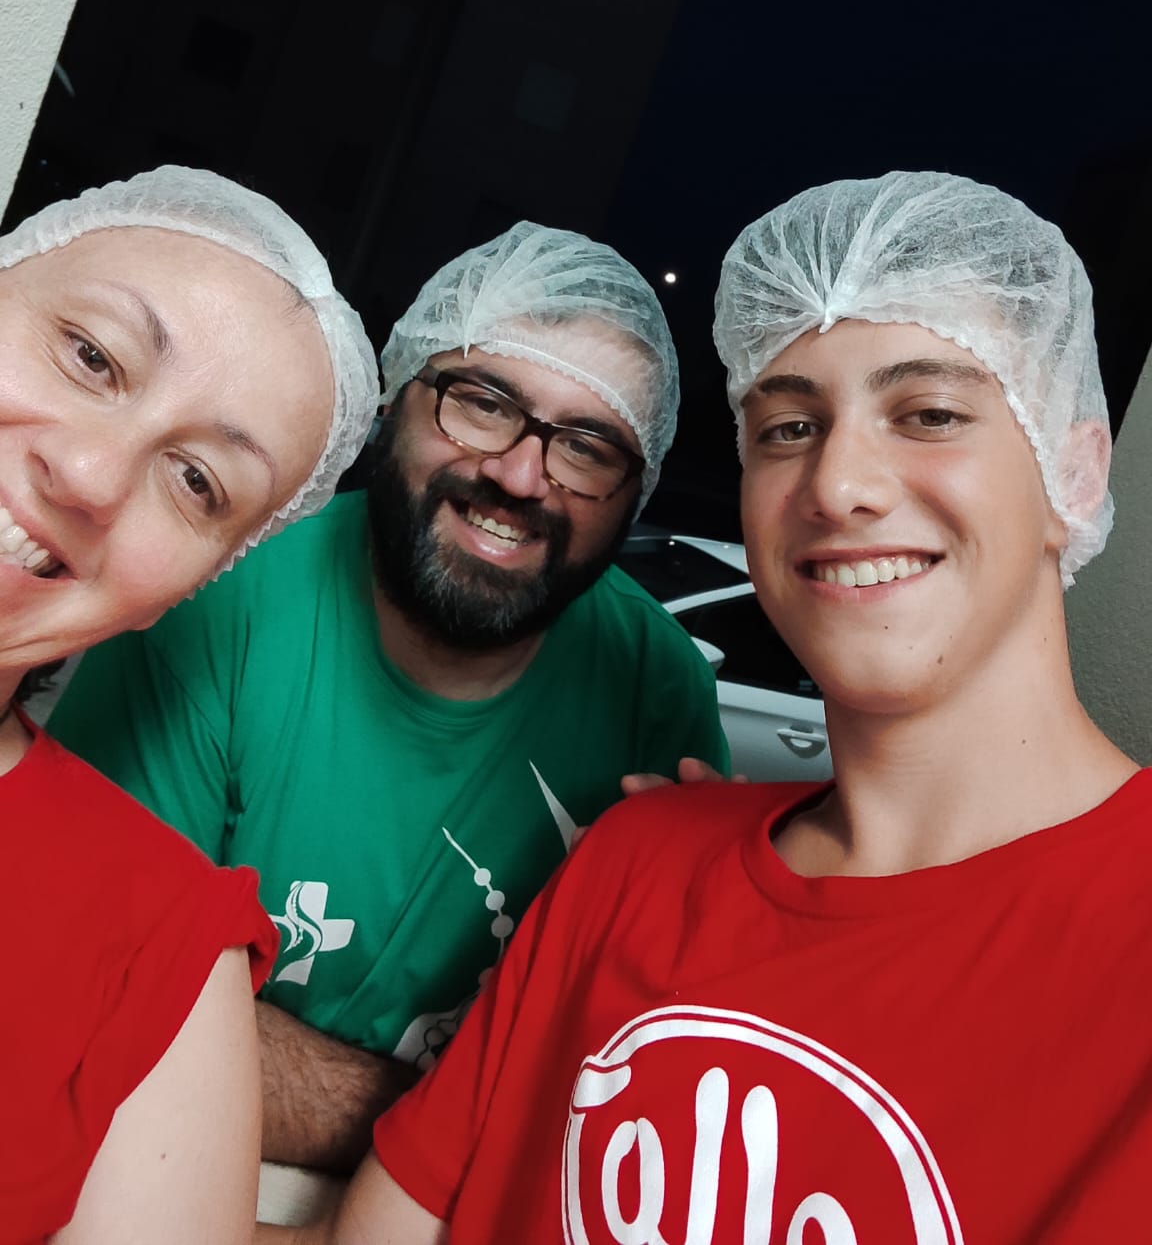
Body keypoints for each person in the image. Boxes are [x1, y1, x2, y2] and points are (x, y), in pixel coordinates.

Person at [269, 171, 1152, 1244]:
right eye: (789, 428)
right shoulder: (631, 859)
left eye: (930, 414)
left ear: (1074, 475)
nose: (837, 484)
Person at [51, 219, 727, 1175]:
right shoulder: (221, 594)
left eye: (587, 446)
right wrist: (444, 1124)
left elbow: (635, 1071)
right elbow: (91, 1001)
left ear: (633, 494)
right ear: (394, 399)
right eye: (482, 402)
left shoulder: (656, 682)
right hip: (154, 1165)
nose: (519, 476)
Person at [0, 164, 378, 1244]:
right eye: (91, 354)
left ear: (185, 590)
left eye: (198, 482)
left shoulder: (160, 955)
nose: (90, 473)